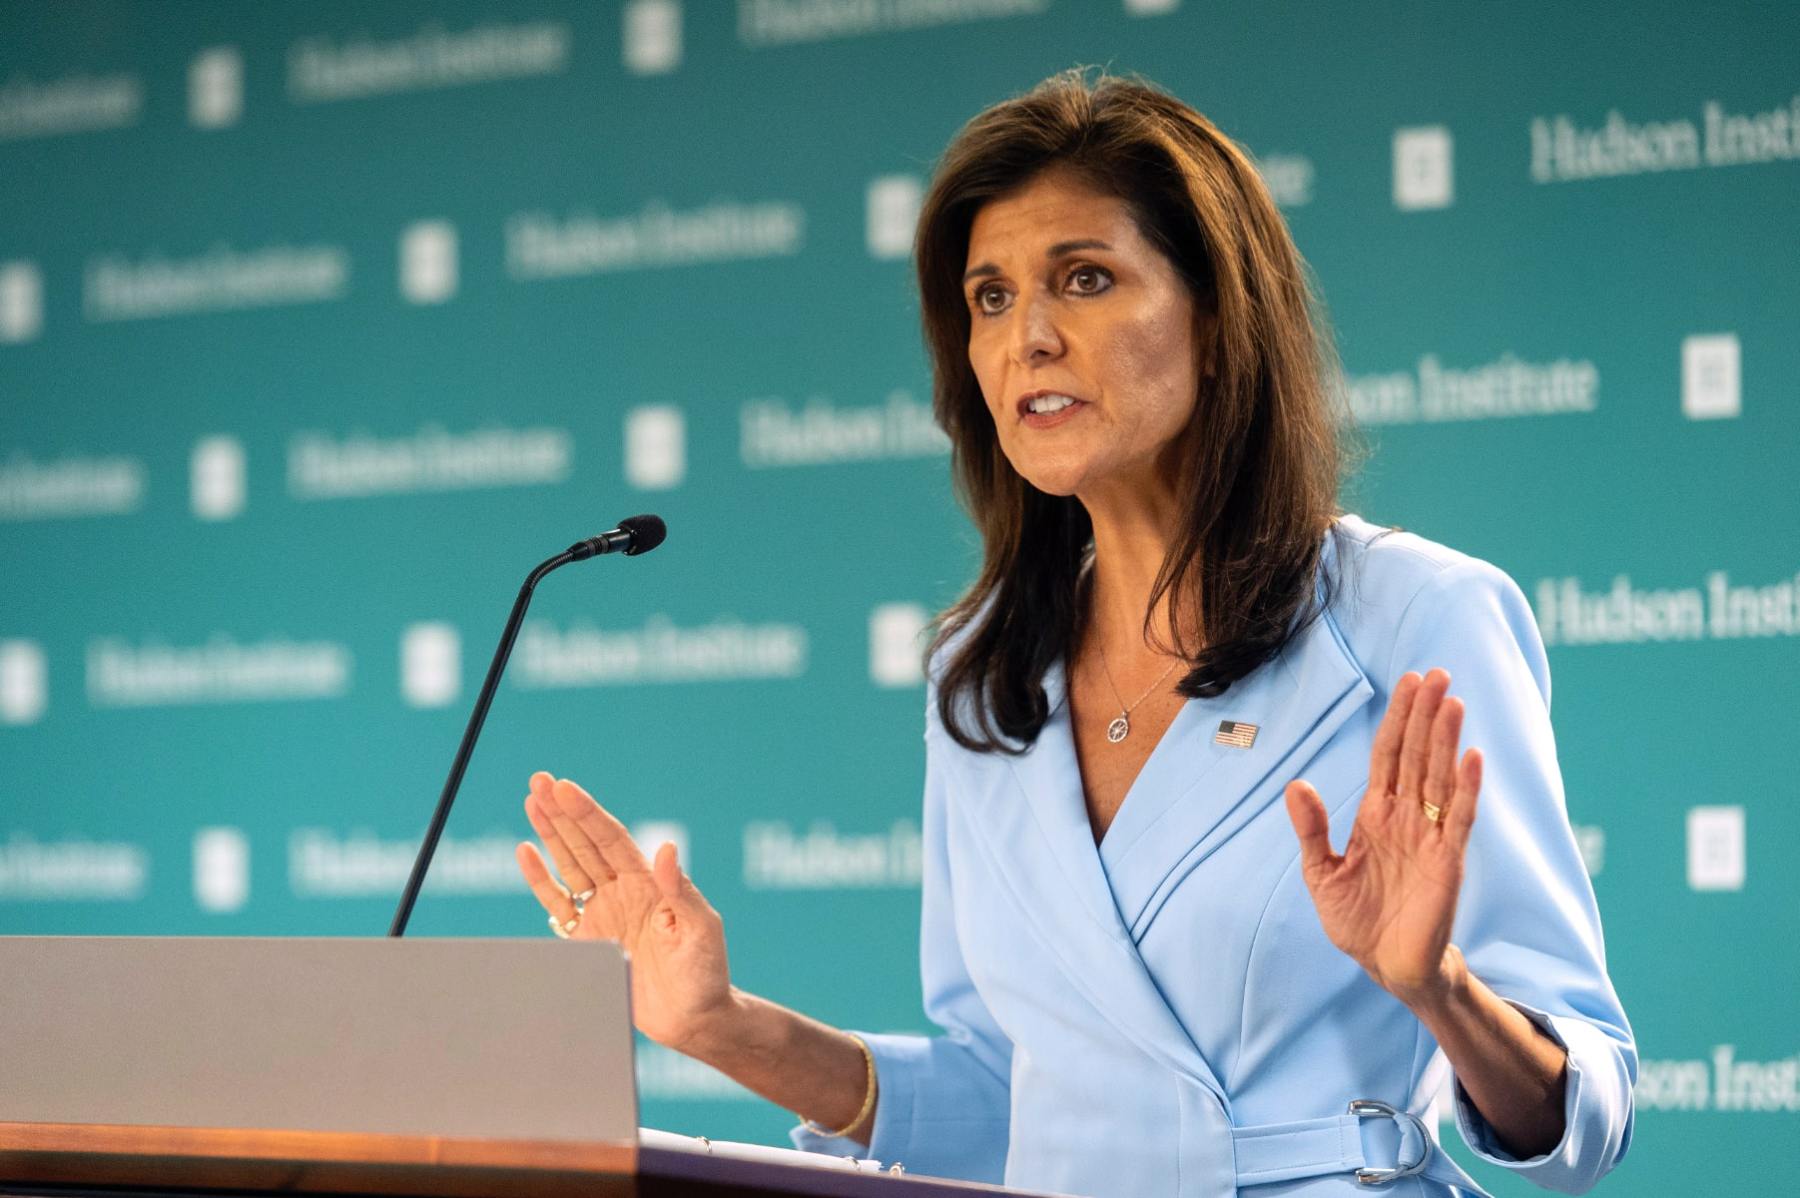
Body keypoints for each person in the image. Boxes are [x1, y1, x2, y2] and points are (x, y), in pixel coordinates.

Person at [513, 71, 1636, 1197]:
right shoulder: (979, 671)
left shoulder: (1417, 618)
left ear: (1215, 311)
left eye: (1085, 279)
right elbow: (1010, 1098)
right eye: (990, 298)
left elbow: (1586, 1118)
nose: (1028, 338)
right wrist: (720, 1026)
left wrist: (1437, 986)